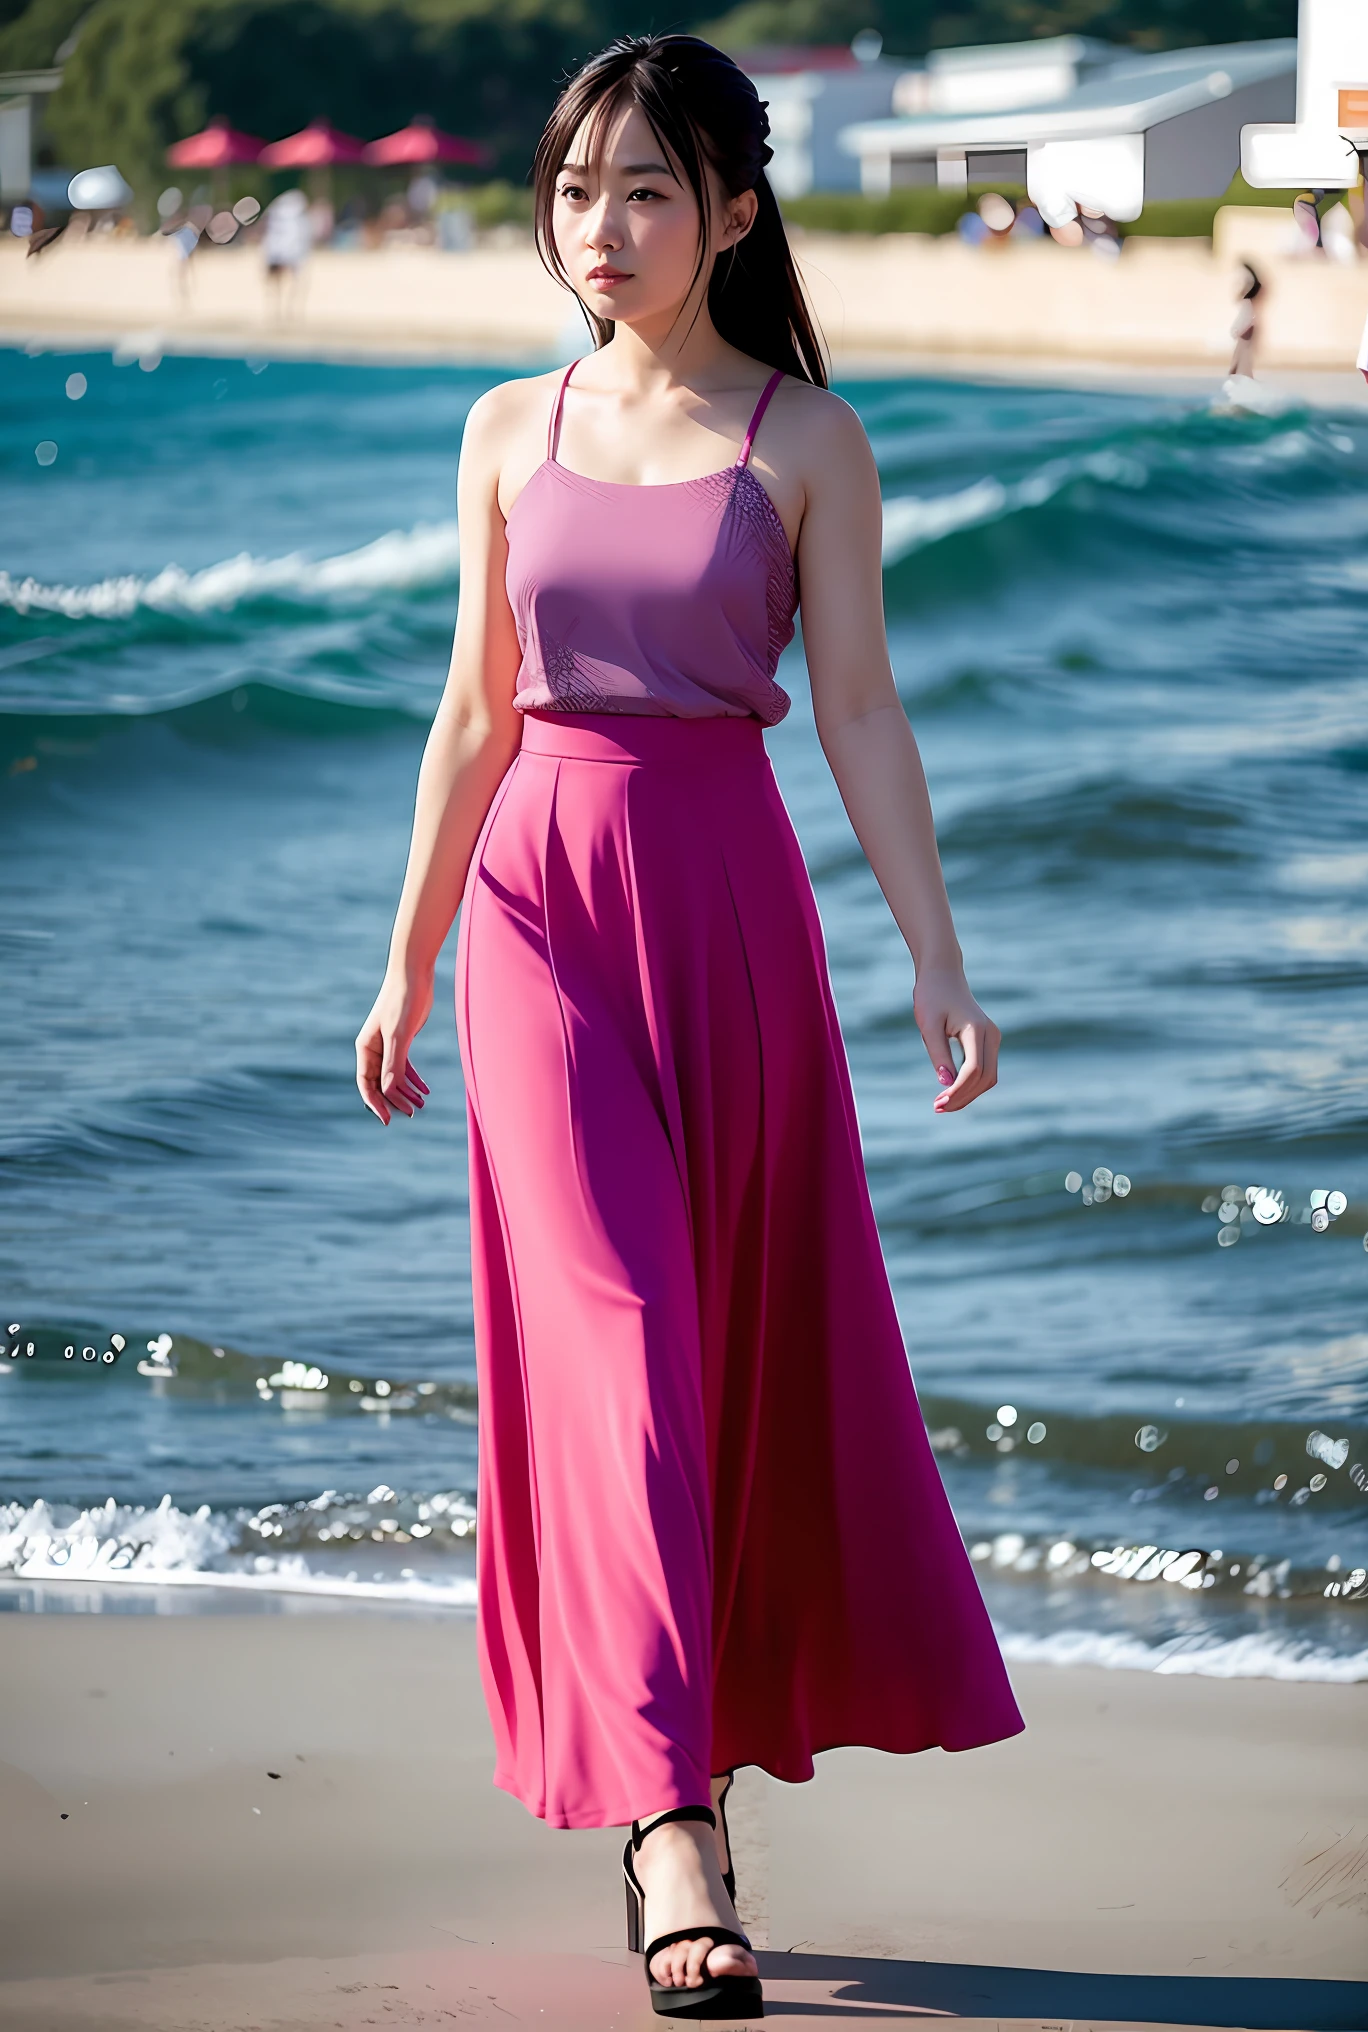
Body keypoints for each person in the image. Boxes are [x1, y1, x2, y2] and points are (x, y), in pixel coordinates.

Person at [355, 33, 1023, 2021]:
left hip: (728, 912)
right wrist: (401, 964)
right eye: (574, 191)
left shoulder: (805, 440)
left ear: (733, 208)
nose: (603, 229)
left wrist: (938, 952)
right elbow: (473, 714)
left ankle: (690, 1753)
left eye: (644, 190)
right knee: (624, 1338)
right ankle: (667, 1827)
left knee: (717, 1358)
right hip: (534, 918)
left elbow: (860, 712)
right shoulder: (503, 426)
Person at [1229, 263, 1264, 380]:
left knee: (1242, 356)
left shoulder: (1248, 300)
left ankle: (1241, 378)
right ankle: (1243, 378)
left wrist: (1237, 329)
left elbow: (1245, 316)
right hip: (1247, 327)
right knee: (1243, 356)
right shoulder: (1249, 301)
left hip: (1247, 327)